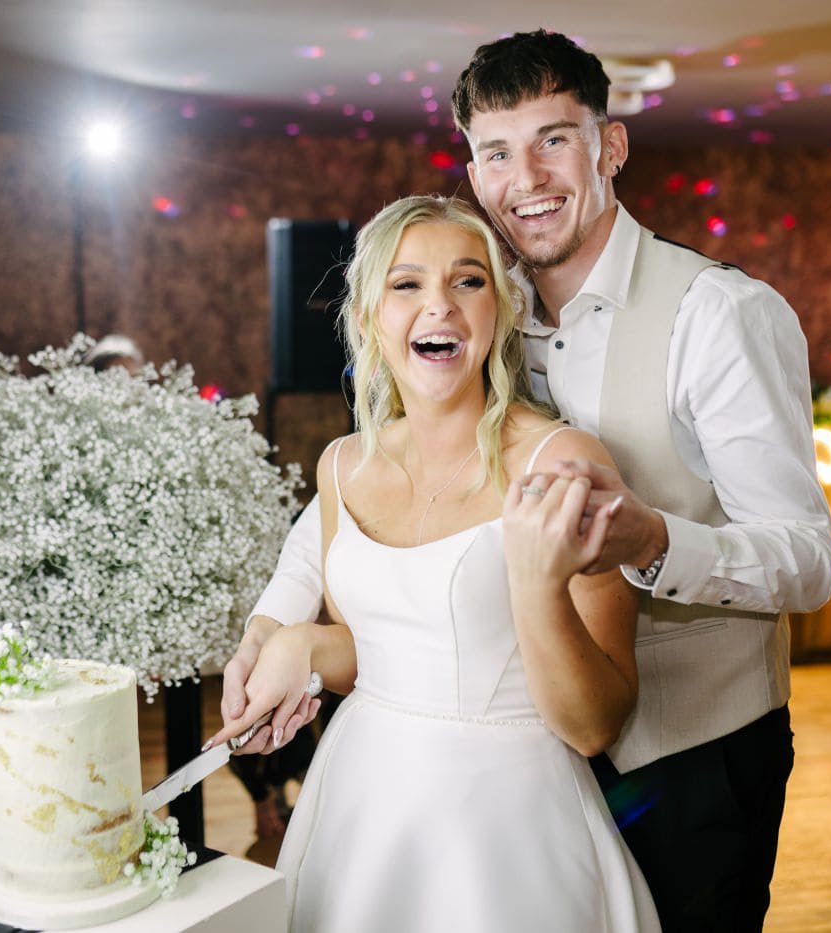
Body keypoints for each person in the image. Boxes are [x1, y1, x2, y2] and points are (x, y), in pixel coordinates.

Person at [223, 29, 831, 933]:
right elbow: (359, 493)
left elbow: (807, 559)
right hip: (529, 755)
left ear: (610, 147)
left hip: (692, 754)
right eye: (498, 151)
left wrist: (652, 541)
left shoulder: (718, 314)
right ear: (473, 170)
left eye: (554, 139)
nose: (528, 176)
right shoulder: (476, 297)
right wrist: (274, 624)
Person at [211, 195, 658, 931]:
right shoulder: (341, 465)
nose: (439, 306)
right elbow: (381, 651)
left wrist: (536, 581)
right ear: (366, 319)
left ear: (503, 311)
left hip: (508, 823)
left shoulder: (563, 462)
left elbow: (595, 725)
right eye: (406, 283)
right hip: (359, 799)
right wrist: (297, 646)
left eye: (468, 280)